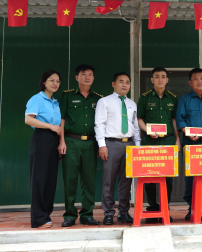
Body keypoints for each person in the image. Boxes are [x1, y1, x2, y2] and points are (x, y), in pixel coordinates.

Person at [58, 64, 102, 227]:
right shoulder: (68, 96)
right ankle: (69, 215)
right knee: (70, 179)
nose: (87, 77)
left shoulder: (98, 99)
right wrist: (61, 142)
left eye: (90, 74)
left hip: (91, 143)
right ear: (77, 77)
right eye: (84, 74)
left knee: (89, 181)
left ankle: (87, 214)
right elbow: (61, 120)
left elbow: (100, 124)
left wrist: (99, 145)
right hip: (71, 142)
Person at [95, 72, 141, 225]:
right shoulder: (104, 101)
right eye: (121, 81)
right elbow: (99, 124)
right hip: (111, 144)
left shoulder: (132, 104)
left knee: (126, 180)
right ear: (113, 84)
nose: (124, 85)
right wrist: (102, 145)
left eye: (127, 82)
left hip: (129, 144)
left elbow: (135, 126)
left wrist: (138, 146)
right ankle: (108, 213)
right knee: (108, 180)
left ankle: (123, 212)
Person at [137, 66, 180, 223]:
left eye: (163, 76)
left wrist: (177, 139)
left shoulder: (172, 98)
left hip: (168, 140)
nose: (160, 79)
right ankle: (153, 207)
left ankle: (164, 208)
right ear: (152, 80)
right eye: (157, 76)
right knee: (149, 175)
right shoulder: (145, 97)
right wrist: (147, 130)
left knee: (168, 177)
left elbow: (174, 121)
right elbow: (139, 118)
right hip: (150, 140)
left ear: (167, 80)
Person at [176, 68, 202, 221]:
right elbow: (180, 121)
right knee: (191, 177)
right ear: (190, 82)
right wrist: (187, 132)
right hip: (190, 143)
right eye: (195, 79)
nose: (199, 81)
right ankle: (192, 207)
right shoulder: (184, 100)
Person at [25, 70, 63, 228]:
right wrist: (50, 126)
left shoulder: (55, 102)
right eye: (51, 80)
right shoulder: (37, 99)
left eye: (58, 81)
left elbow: (60, 126)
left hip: (53, 141)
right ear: (44, 82)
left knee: (50, 179)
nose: (55, 83)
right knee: (39, 179)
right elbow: (28, 119)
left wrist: (60, 141)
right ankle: (38, 218)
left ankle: (45, 214)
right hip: (41, 139)